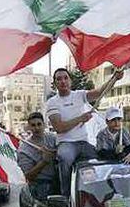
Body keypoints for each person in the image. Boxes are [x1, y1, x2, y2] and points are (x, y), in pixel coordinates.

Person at [46, 67, 123, 196]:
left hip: (84, 142)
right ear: (55, 83)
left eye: (65, 78)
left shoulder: (79, 95)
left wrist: (114, 78)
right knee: (65, 157)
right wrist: (81, 118)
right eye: (59, 79)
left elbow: (99, 92)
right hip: (66, 143)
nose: (63, 81)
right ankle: (66, 195)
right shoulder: (52, 102)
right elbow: (59, 127)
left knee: (99, 162)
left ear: (70, 81)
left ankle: (97, 195)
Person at [17, 112, 58, 200]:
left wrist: (55, 153)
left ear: (44, 124)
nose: (37, 128)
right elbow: (28, 176)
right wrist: (44, 161)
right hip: (41, 184)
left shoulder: (54, 138)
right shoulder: (24, 149)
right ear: (29, 127)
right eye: (33, 125)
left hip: (60, 179)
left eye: (39, 124)